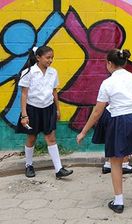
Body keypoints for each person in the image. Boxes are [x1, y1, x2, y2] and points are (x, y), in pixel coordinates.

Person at [77, 49, 132, 213]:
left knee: (116, 162)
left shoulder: (107, 83)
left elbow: (97, 111)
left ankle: (118, 202)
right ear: (125, 62)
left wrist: (83, 132)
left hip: (119, 121)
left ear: (109, 64)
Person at [16, 46, 73, 179]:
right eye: (48, 57)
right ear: (38, 58)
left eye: (52, 57)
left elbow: (54, 92)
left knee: (51, 137)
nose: (50, 60)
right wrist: (24, 115)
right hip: (32, 109)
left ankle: (59, 169)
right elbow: (24, 95)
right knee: (32, 137)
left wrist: (57, 109)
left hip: (48, 108)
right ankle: (28, 165)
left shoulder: (53, 72)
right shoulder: (28, 72)